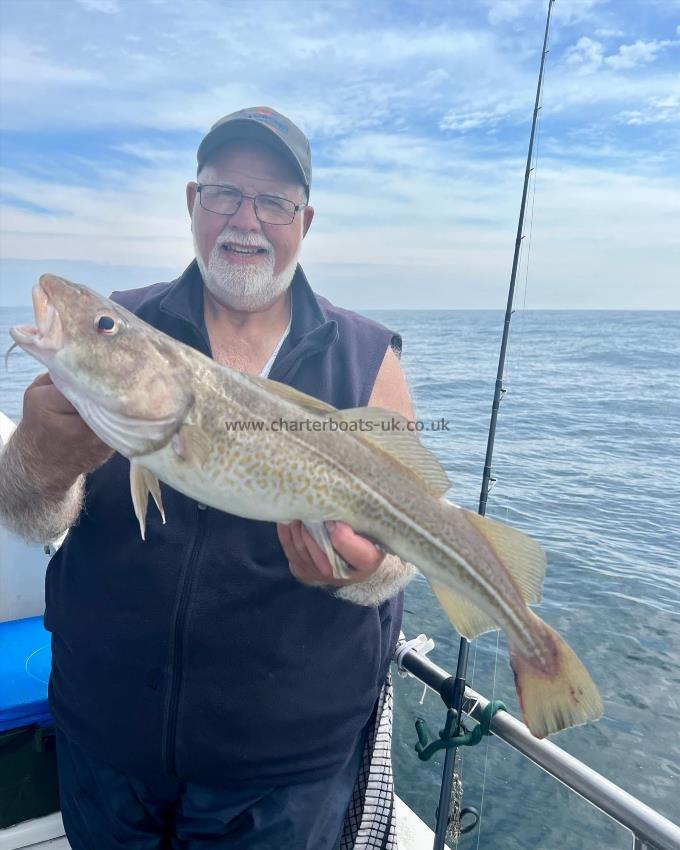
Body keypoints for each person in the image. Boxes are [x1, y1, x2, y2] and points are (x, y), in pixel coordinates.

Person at [0, 107, 416, 849]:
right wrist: (34, 462)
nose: (246, 220)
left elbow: (402, 549)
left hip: (282, 776)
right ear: (193, 204)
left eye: (275, 202)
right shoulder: (126, 323)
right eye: (224, 193)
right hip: (105, 744)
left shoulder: (365, 358)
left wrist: (365, 568)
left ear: (305, 220)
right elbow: (30, 518)